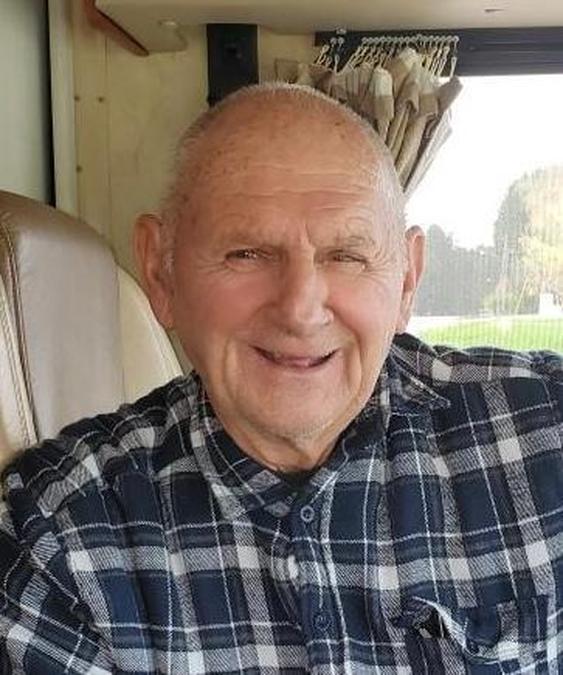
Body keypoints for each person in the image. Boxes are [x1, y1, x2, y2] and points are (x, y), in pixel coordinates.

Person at [0, 83, 561, 674]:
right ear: (162, 272)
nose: (300, 310)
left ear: (405, 282)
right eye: (246, 253)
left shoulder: (544, 430)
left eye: (347, 256)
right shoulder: (57, 540)